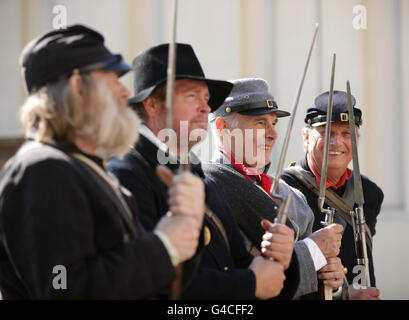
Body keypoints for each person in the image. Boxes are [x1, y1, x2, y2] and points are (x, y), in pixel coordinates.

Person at [0, 25, 205, 299]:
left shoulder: (89, 169)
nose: (124, 92)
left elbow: (157, 289)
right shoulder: (43, 169)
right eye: (112, 78)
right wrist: (164, 245)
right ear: (78, 87)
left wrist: (185, 223)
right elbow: (64, 289)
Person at [107, 44, 298, 299]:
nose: (206, 108)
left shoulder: (202, 180)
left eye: (206, 99)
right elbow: (145, 283)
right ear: (152, 104)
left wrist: (278, 260)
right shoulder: (126, 173)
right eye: (192, 96)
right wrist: (249, 283)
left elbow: (239, 265)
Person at [204, 78, 346, 299]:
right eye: (260, 124)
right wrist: (314, 251)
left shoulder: (290, 194)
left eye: (273, 124)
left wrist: (333, 284)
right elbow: (235, 279)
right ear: (223, 128)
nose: (273, 134)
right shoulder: (206, 190)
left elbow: (320, 281)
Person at [281, 90, 384, 300]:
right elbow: (283, 274)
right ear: (306, 137)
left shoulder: (370, 192)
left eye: (347, 134)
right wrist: (344, 295)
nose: (336, 142)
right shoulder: (283, 190)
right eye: (327, 133)